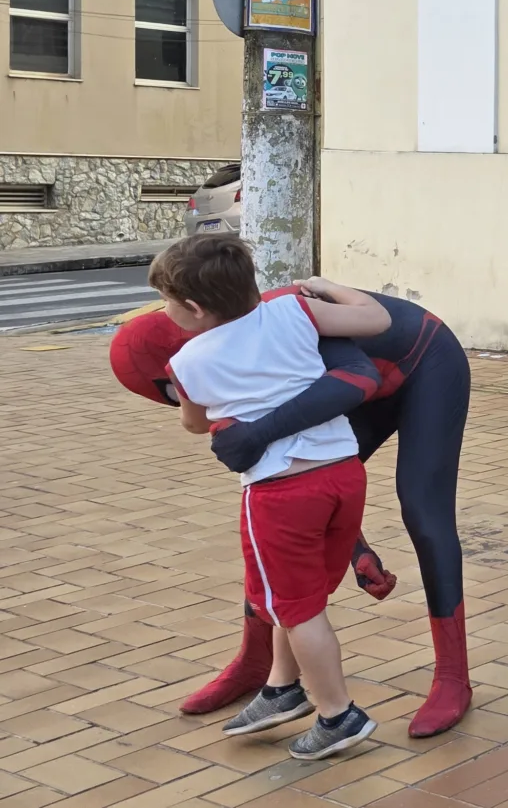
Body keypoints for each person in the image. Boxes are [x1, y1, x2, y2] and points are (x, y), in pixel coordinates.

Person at [111, 289, 476, 738]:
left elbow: (358, 378)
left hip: (425, 362)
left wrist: (258, 433)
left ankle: (453, 675)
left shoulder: (278, 318)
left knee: (424, 509)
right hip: (350, 394)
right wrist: (355, 547)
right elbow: (313, 477)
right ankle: (259, 665)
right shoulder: (219, 344)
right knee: (274, 528)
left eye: (173, 392)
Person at [148, 235, 391, 760]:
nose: (164, 311)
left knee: (297, 608)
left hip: (280, 493)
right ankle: (282, 687)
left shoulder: (187, 361)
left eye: (166, 301)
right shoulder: (293, 312)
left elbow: (195, 424)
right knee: (298, 595)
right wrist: (325, 286)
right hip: (343, 474)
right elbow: (376, 318)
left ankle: (338, 715)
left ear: (193, 308)